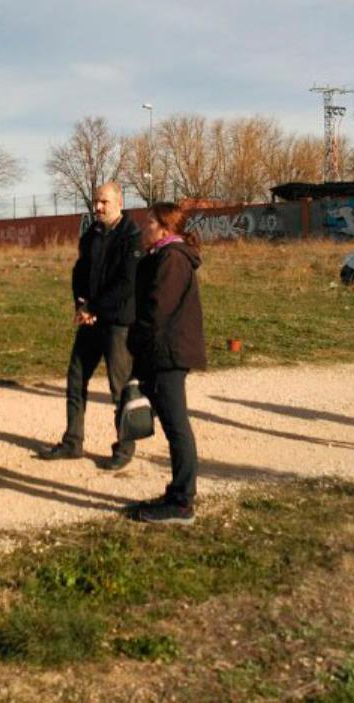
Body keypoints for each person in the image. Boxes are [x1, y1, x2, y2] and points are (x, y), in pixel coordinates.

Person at [38, 182, 143, 469]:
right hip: (91, 320)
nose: (97, 207)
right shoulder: (91, 234)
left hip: (118, 322)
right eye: (95, 202)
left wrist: (94, 308)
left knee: (119, 387)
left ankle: (125, 447)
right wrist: (81, 305)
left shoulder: (132, 236)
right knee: (75, 378)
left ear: (119, 201)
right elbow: (79, 272)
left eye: (104, 202)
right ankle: (73, 442)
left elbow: (127, 283)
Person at [126, 202, 206, 525]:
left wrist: (134, 339)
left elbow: (157, 310)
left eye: (149, 222)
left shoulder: (172, 259)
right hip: (163, 351)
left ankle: (183, 502)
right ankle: (177, 492)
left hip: (169, 352)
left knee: (177, 426)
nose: (144, 227)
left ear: (164, 227)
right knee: (175, 425)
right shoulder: (161, 256)